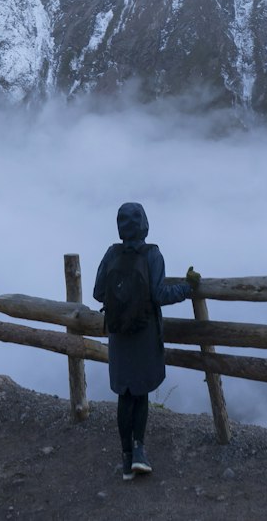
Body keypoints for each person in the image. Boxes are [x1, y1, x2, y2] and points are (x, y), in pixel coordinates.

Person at [93, 201, 201, 481]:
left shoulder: (111, 253)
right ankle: (140, 451)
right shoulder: (153, 253)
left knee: (124, 394)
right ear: (144, 224)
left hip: (118, 334)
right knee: (139, 394)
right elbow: (160, 295)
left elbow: (97, 292)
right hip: (144, 333)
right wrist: (188, 288)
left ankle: (126, 457)